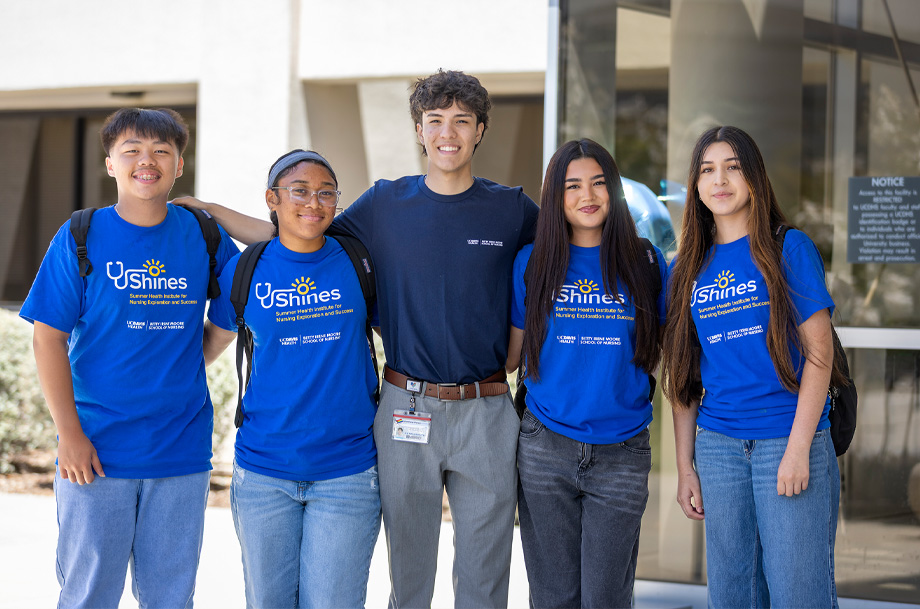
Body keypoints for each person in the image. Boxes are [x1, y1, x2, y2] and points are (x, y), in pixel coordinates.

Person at [176, 69, 539, 608]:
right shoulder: (385, 204)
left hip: (486, 409)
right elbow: (296, 231)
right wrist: (207, 212)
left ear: (481, 131)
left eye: (462, 121)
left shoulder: (512, 208)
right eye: (435, 120)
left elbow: (557, 265)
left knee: (486, 578)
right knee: (408, 576)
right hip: (404, 407)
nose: (448, 133)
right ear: (419, 130)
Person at [19, 107, 238, 609]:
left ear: (179, 165)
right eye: (132, 150)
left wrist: (184, 363)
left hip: (179, 452)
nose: (148, 161)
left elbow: (230, 315)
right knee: (89, 595)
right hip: (95, 453)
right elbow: (48, 338)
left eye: (162, 150)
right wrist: (70, 435)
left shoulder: (203, 236)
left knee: (169, 596)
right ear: (110, 163)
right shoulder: (80, 234)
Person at [661, 125, 843, 608]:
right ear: (696, 186)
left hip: (787, 438)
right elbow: (683, 378)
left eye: (732, 167)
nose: (719, 180)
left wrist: (800, 449)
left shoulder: (789, 248)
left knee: (798, 595)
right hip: (719, 448)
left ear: (754, 178)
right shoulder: (685, 269)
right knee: (733, 595)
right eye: (707, 170)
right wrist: (685, 468)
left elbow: (819, 357)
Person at [202, 150, 381, 608]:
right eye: (299, 191)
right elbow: (209, 345)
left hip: (348, 471)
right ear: (272, 199)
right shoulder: (245, 271)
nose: (313, 202)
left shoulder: (359, 261)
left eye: (326, 193)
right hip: (264, 472)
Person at [505, 139, 666, 608]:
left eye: (598, 183)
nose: (587, 195)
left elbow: (659, 349)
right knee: (552, 598)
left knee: (606, 599)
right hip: (544, 447)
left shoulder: (645, 261)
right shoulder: (532, 263)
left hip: (622, 449)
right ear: (556, 197)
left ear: (613, 191)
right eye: (572, 185)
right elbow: (513, 357)